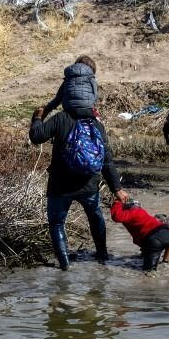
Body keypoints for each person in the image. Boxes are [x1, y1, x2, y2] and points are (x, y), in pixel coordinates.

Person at [29, 105, 127, 270]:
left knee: (57, 223)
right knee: (95, 217)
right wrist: (116, 188)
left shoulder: (61, 119)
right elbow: (106, 159)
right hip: (88, 185)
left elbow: (36, 136)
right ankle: (102, 256)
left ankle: (65, 265)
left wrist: (37, 118)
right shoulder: (96, 124)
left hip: (60, 186)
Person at [109, 199, 169, 271]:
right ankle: (165, 262)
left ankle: (151, 276)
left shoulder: (133, 212)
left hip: (154, 239)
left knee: (149, 272)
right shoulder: (142, 212)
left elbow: (117, 217)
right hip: (167, 233)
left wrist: (117, 202)